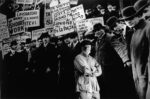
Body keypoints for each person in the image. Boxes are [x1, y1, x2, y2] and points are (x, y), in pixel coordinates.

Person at [121, 2, 150, 98]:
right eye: (126, 20)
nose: (128, 22)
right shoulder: (134, 32)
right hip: (139, 77)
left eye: (131, 18)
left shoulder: (147, 28)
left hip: (146, 78)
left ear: (138, 16)